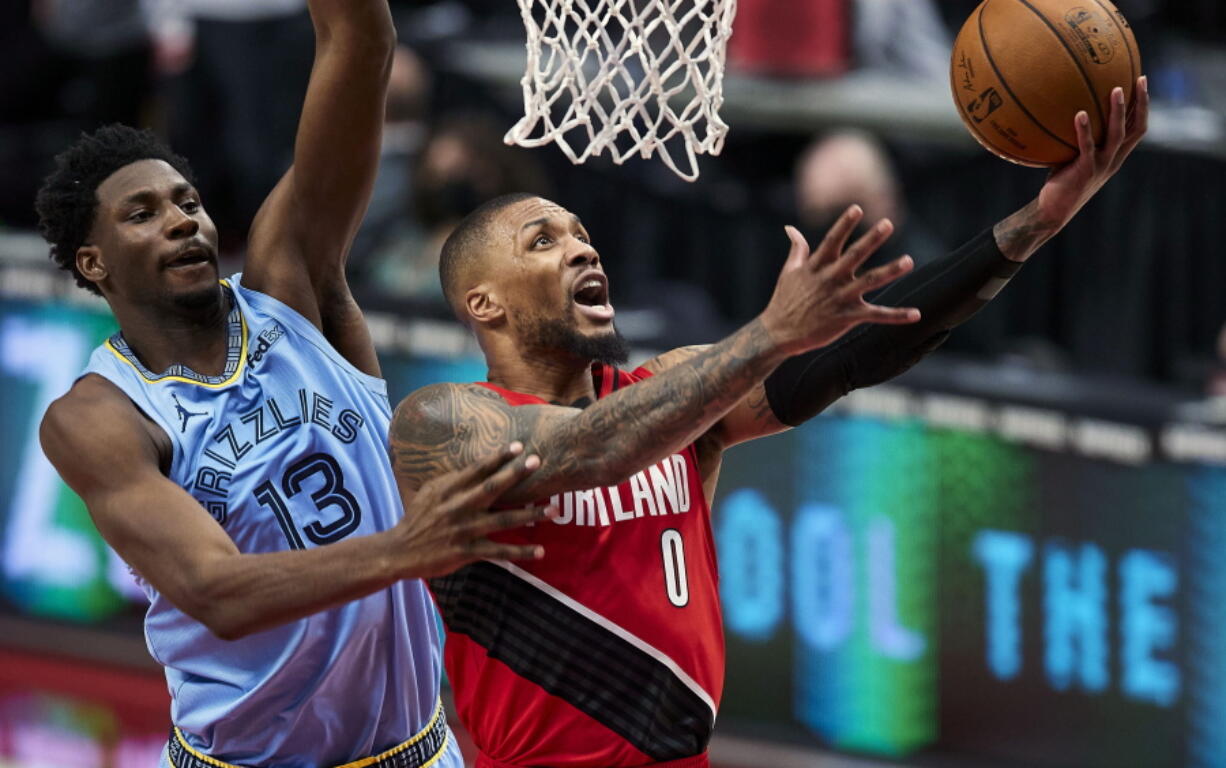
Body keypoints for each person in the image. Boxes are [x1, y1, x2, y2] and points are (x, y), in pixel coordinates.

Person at [389, 79, 1149, 768]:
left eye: (582, 232)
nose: (583, 246)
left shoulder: (673, 391)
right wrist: (768, 336)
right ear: (482, 304)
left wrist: (1038, 222)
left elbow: (858, 353)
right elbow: (592, 448)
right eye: (543, 241)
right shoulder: (445, 422)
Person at [34, 2, 553, 767]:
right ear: (93, 264)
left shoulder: (291, 285)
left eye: (188, 202)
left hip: (415, 748)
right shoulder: (98, 415)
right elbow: (217, 592)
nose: (182, 221)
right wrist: (407, 548)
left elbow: (360, 41)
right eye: (142, 214)